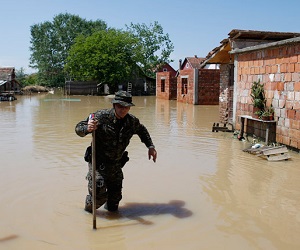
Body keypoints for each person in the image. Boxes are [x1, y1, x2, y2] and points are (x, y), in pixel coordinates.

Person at [75, 90, 157, 213]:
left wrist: (150, 146)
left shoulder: (132, 121)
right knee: (98, 194)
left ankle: (112, 219)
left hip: (116, 164)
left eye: (126, 107)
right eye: (120, 106)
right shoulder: (101, 116)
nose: (123, 110)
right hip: (98, 162)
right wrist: (88, 128)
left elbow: (142, 131)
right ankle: (87, 211)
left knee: (114, 201)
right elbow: (78, 128)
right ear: (114, 105)